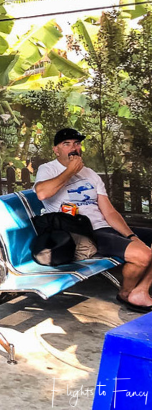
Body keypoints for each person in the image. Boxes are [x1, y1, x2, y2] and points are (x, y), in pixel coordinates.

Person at [35, 128, 152, 313]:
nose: (73, 148)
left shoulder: (91, 174)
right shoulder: (48, 169)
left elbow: (109, 212)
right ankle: (126, 293)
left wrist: (130, 235)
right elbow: (42, 193)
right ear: (56, 150)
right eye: (66, 144)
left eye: (77, 143)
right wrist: (70, 171)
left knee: (144, 249)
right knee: (143, 255)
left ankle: (141, 290)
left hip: (104, 228)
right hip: (81, 233)